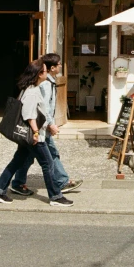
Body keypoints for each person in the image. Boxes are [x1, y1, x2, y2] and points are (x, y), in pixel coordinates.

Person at [0, 59, 74, 207]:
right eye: (45, 71)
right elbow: (29, 114)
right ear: (39, 74)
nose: (47, 72)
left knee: (17, 162)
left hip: (30, 135)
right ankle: (55, 196)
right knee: (48, 164)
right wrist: (36, 132)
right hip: (34, 136)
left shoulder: (31, 89)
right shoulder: (33, 92)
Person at [10, 53, 83, 197]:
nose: (61, 66)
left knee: (26, 156)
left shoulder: (49, 82)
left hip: (40, 127)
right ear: (52, 68)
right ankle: (61, 183)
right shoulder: (45, 84)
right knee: (51, 155)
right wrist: (50, 124)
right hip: (39, 127)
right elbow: (44, 108)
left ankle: (17, 182)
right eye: (59, 64)